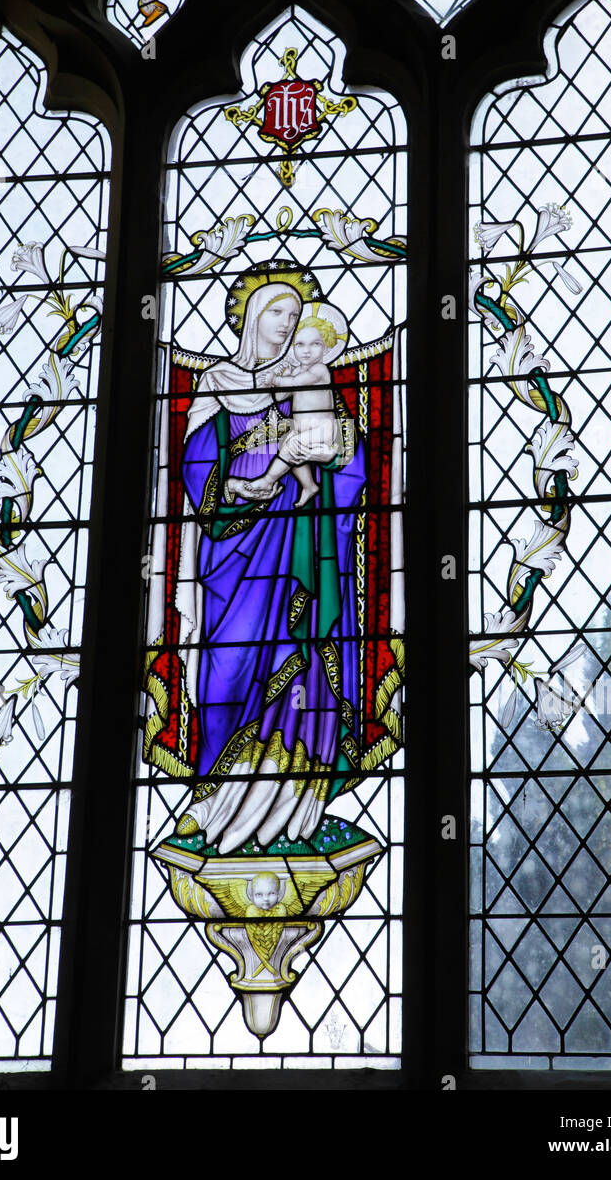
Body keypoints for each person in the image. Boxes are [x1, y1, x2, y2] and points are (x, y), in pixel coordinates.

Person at [172, 270, 364, 854]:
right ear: (253, 319)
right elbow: (198, 468)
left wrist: (331, 448)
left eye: (293, 316)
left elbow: (344, 464)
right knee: (227, 671)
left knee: (298, 664)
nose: (286, 326)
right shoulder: (219, 384)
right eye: (277, 314)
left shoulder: (302, 382)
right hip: (232, 551)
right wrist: (241, 480)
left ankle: (292, 806)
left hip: (297, 546)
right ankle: (213, 800)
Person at [224, 307, 348, 507]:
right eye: (300, 344)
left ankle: (268, 480)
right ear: (292, 348)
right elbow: (281, 396)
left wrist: (277, 378)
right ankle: (309, 485)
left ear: (326, 348)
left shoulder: (320, 370)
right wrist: (273, 385)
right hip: (302, 428)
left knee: (292, 447)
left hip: (323, 429)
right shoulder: (297, 371)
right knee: (287, 446)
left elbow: (297, 382)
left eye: (315, 344)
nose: (306, 350)